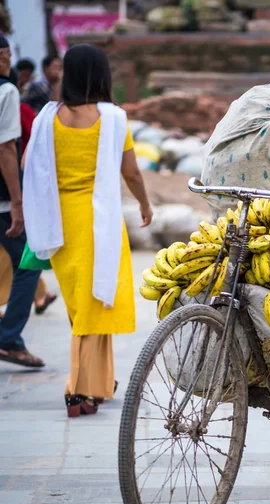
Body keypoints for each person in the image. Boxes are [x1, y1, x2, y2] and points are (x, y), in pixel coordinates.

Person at [22, 44, 153, 417]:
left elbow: (30, 163)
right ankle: (78, 389)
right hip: (98, 225)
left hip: (58, 224)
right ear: (102, 75)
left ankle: (98, 382)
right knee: (96, 306)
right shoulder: (112, 118)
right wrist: (144, 204)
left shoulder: (48, 117)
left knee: (84, 308)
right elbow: (131, 172)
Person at [0, 34, 44, 368]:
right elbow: (6, 148)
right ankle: (9, 338)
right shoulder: (7, 90)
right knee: (29, 264)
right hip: (2, 201)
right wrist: (17, 202)